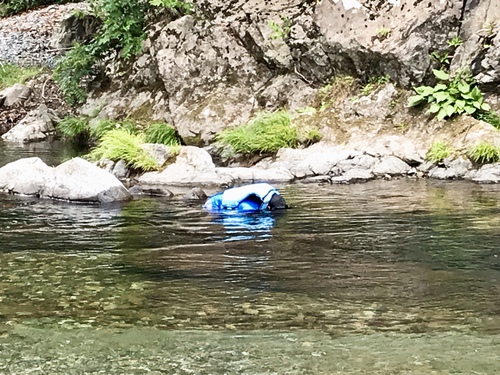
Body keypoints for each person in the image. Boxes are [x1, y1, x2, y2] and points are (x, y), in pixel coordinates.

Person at [203, 182, 287, 212]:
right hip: (213, 204)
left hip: (220, 196)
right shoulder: (250, 206)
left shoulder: (268, 190)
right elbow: (242, 212)